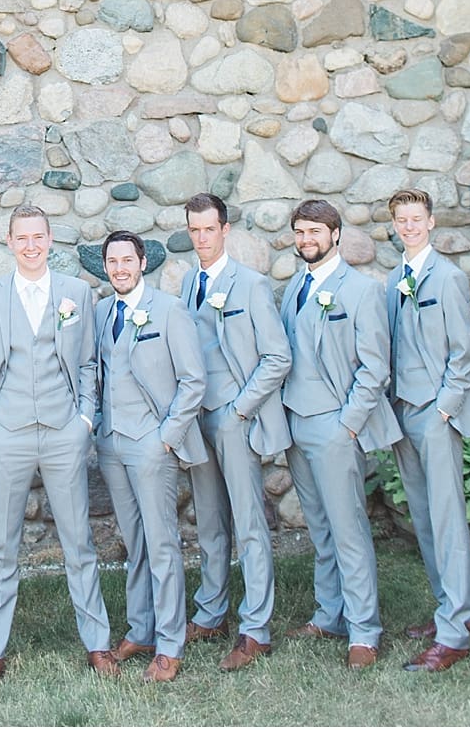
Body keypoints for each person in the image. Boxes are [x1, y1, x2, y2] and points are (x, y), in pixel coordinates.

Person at [0, 205, 113, 688]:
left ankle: (97, 643)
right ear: (9, 242)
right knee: (1, 544)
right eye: (21, 237)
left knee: (78, 542)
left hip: (62, 432)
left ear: (51, 240)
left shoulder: (76, 293)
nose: (30, 245)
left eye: (38, 236)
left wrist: (85, 420)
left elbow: (90, 361)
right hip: (6, 432)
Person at [279, 198, 399, 669]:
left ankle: (365, 630)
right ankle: (330, 613)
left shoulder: (361, 290)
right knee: (320, 526)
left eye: (315, 232)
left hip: (335, 425)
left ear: (334, 234)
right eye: (300, 233)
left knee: (349, 528)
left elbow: (374, 368)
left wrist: (348, 424)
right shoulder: (294, 288)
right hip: (297, 423)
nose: (307, 240)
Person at [385, 187, 470, 671]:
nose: (409, 226)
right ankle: (450, 609)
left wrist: (444, 409)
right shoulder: (394, 278)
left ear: (430, 223)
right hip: (402, 409)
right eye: (401, 220)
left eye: (416, 219)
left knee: (448, 519)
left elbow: (464, 352)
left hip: (435, 412)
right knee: (424, 515)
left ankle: (455, 634)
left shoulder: (448, 277)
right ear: (394, 226)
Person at [179, 191, 291, 672]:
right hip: (196, 417)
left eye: (209, 229)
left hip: (233, 415)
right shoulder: (188, 282)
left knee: (248, 523)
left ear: (225, 230)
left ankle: (256, 628)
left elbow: (277, 357)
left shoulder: (251, 285)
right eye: (194, 230)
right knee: (209, 521)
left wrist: (241, 409)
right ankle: (211, 612)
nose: (202, 238)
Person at [94, 230, 206, 684]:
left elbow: (193, 380)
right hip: (111, 443)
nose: (120, 268)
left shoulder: (169, 311)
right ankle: (140, 628)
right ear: (106, 267)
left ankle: (171, 643)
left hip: (151, 442)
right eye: (112, 262)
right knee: (133, 540)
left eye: (127, 260)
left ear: (143, 262)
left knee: (162, 544)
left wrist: (166, 438)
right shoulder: (101, 311)